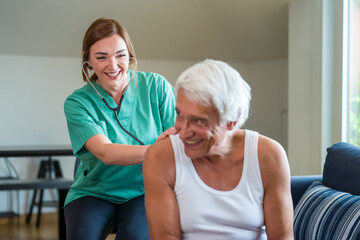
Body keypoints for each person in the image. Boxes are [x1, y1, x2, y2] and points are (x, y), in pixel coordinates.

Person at [143, 59, 294, 240]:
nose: (182, 133)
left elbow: (282, 237)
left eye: (198, 120)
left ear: (232, 120)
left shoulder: (269, 156)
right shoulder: (161, 157)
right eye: (180, 115)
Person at [63, 18, 176, 240]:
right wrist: (159, 150)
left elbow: (178, 142)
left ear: (130, 55)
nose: (113, 65)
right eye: (101, 57)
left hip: (145, 189)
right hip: (94, 192)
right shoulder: (77, 103)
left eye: (120, 55)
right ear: (88, 60)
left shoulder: (156, 87)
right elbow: (106, 152)